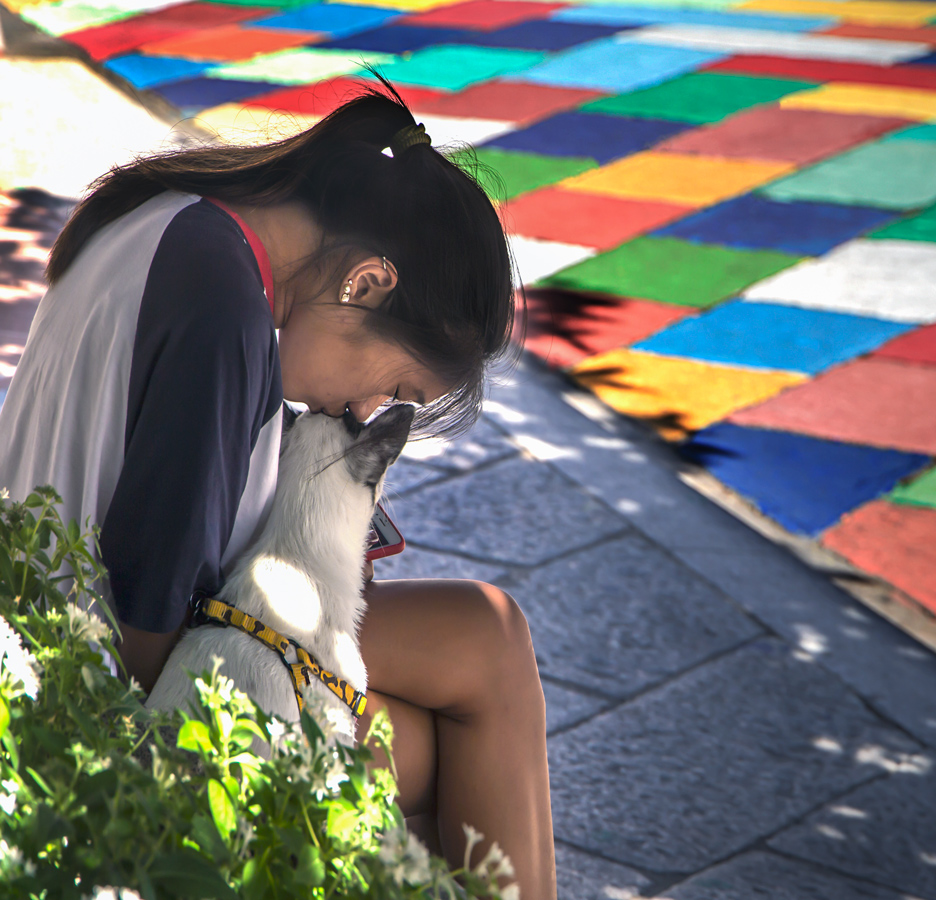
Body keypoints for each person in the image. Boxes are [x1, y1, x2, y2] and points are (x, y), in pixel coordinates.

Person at [0, 81, 555, 899]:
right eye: (394, 387)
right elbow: (146, 629)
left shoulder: (176, 217)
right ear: (366, 283)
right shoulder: (223, 315)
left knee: (486, 634)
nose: (366, 410)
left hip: (42, 627)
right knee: (447, 731)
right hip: (94, 705)